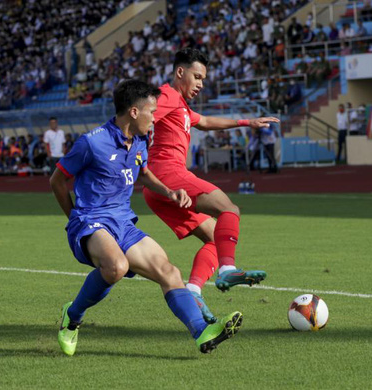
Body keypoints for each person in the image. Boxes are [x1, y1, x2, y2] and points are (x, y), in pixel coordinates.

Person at [51, 80, 243, 357]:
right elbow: (57, 180)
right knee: (116, 267)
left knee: (170, 272)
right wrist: (75, 219)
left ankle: (202, 331)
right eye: (151, 113)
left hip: (123, 223)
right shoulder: (91, 143)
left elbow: (142, 173)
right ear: (133, 112)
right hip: (91, 220)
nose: (155, 119)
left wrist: (169, 191)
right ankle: (73, 316)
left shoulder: (139, 140)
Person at [143, 49, 278, 323]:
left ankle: (193, 289)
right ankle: (228, 269)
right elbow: (144, 114)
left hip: (158, 189)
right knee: (229, 208)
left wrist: (245, 122)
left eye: (203, 78)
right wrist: (133, 143)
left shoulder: (180, 104)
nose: (201, 84)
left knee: (216, 236)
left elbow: (203, 121)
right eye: (197, 76)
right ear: (180, 72)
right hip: (168, 176)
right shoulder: (167, 96)